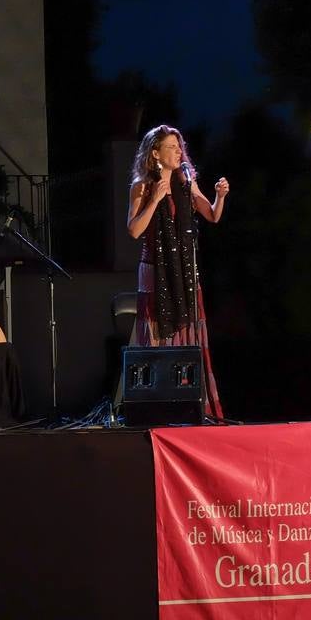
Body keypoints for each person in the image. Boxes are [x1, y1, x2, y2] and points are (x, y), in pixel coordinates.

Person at [127, 124, 230, 419]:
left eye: (179, 146)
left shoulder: (187, 182)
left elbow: (211, 215)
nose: (178, 151)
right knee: (157, 330)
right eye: (171, 147)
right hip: (154, 270)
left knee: (189, 328)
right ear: (155, 154)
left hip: (184, 270)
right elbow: (134, 230)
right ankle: (156, 403)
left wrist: (220, 196)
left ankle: (191, 402)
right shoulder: (142, 186)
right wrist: (157, 198)